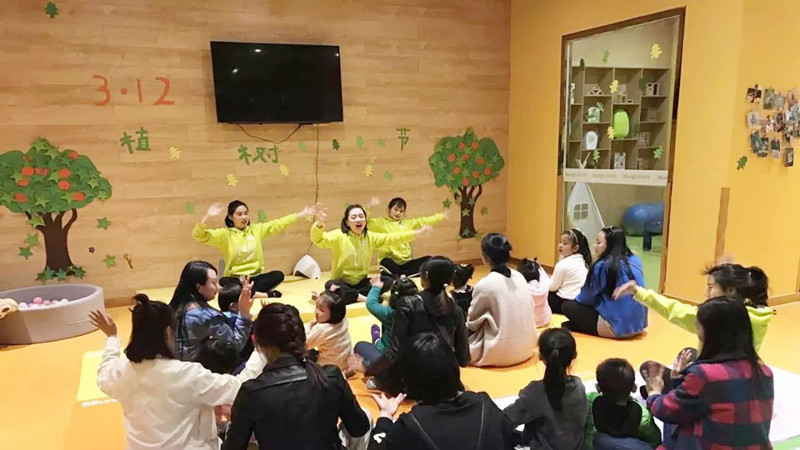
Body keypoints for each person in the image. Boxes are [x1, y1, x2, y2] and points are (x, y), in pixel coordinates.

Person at [89, 295, 266, 450]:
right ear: (168, 332)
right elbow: (240, 386)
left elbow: (104, 371)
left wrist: (111, 337)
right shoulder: (186, 374)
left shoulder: (120, 371)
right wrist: (262, 347)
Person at [222, 303, 370, 450]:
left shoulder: (251, 391)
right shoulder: (331, 376)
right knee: (367, 415)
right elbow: (359, 427)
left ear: (259, 343)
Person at [644, 297, 774, 449]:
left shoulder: (704, 375)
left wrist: (653, 394)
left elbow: (668, 410)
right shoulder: (764, 372)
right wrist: (680, 380)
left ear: (710, 333)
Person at [367, 333, 516, 450]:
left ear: (408, 380)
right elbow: (510, 438)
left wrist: (385, 417)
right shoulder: (484, 405)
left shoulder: (410, 426)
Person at [613, 263, 772, 351]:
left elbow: (675, 311)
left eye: (711, 287)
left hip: (717, 382)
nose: (706, 293)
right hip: (747, 381)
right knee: (689, 354)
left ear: (731, 291)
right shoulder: (759, 314)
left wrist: (637, 291)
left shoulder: (718, 316)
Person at [193, 200, 320, 296]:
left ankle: (247, 292)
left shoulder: (256, 230)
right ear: (231, 217)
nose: (244, 217)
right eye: (239, 214)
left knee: (278, 275)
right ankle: (262, 294)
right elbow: (199, 235)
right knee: (226, 283)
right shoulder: (225, 235)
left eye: (246, 214)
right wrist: (208, 216)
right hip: (236, 278)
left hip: (255, 278)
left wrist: (302, 214)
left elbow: (279, 224)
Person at [310, 204, 430, 304]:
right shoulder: (338, 235)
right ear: (347, 222)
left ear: (365, 221)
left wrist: (416, 233)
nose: (358, 220)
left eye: (361, 216)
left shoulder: (370, 237)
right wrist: (319, 224)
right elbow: (319, 240)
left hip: (362, 283)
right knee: (331, 284)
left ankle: (340, 296)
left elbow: (392, 238)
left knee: (387, 280)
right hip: (342, 282)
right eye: (354, 217)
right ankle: (366, 299)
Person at [502, 328, 588, 449]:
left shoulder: (536, 392)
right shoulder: (579, 387)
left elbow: (506, 419)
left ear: (540, 356)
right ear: (574, 355)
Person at [562, 226, 647, 339]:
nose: (595, 246)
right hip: (640, 325)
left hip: (616, 329)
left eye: (598, 242)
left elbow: (585, 299)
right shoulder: (635, 260)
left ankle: (586, 327)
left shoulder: (602, 266)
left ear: (609, 245)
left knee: (567, 306)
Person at [467, 233, 538, 366]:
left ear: (485, 257)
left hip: (499, 352)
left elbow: (473, 322)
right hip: (527, 347)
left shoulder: (485, 285)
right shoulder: (520, 276)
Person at [392, 256, 470, 371]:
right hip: (448, 376)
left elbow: (396, 351)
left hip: (416, 376)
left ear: (426, 275)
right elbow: (464, 359)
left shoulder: (408, 304)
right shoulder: (456, 309)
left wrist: (373, 369)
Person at [168, 261, 254, 361]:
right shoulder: (206, 317)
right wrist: (244, 312)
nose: (219, 288)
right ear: (199, 287)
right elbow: (235, 346)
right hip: (195, 368)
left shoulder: (172, 309)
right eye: (213, 283)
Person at [584, 359, 661, 450]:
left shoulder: (590, 401)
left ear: (598, 387)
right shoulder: (643, 415)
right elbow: (655, 440)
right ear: (634, 388)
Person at [352, 275, 418, 371]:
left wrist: (375, 288)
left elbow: (371, 303)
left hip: (391, 361)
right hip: (414, 360)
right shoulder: (421, 311)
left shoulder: (389, 313)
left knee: (360, 346)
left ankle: (376, 340)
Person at [368, 197, 447, 277]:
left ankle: (403, 275)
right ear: (389, 209)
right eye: (395, 209)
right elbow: (366, 220)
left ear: (404, 213)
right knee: (384, 262)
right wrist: (370, 206)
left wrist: (441, 216)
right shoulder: (381, 223)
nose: (398, 213)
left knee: (428, 260)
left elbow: (422, 221)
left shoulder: (407, 223)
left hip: (407, 263)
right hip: (392, 263)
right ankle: (404, 275)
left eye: (401, 211)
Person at [305, 286, 352, 371]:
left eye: (321, 310)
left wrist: (309, 325)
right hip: (347, 365)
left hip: (328, 369)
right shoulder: (343, 320)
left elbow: (305, 344)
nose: (316, 312)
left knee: (303, 354)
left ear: (334, 314)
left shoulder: (322, 329)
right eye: (316, 306)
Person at [548, 229, 592, 314]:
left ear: (575, 248)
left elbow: (552, 287)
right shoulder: (582, 260)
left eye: (565, 243)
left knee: (546, 293)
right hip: (581, 301)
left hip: (567, 301)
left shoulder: (563, 264)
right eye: (560, 242)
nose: (560, 245)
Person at [518, 257, 552, 327]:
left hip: (529, 323)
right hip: (545, 319)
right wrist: (538, 266)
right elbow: (543, 275)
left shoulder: (521, 288)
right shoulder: (544, 284)